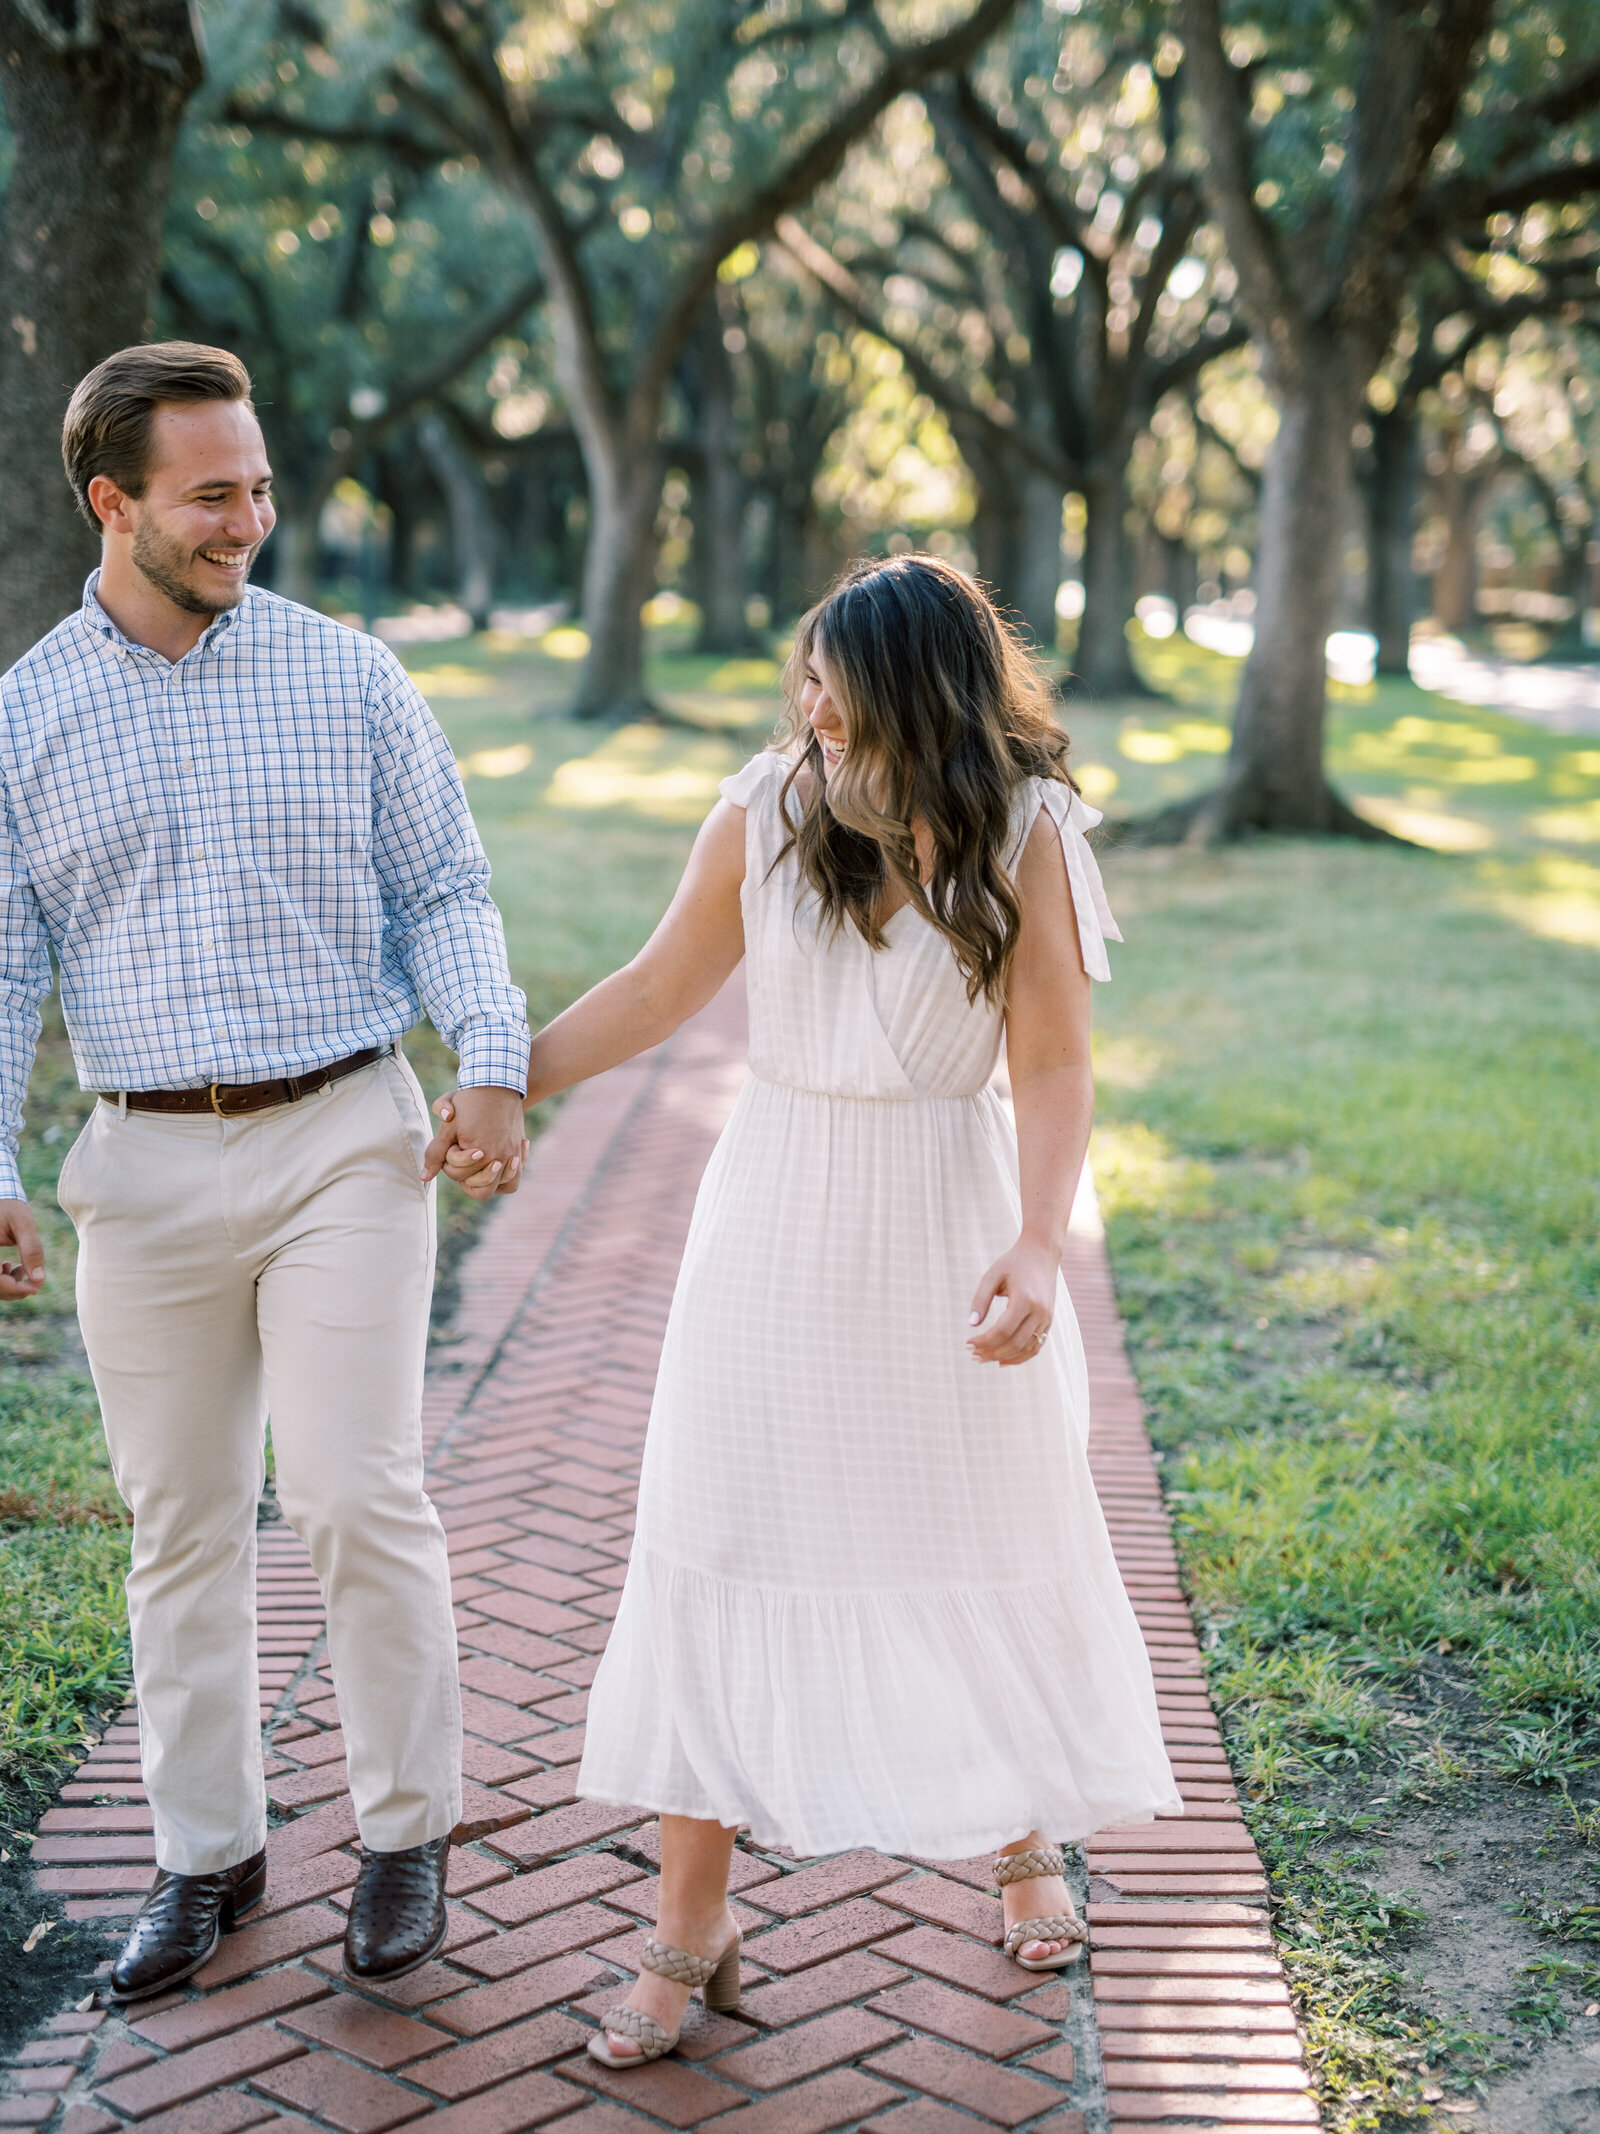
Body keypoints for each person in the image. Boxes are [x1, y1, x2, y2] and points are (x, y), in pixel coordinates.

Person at [430, 554, 1179, 2068]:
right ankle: (690, 1924)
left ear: (924, 689)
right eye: (808, 679)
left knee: (981, 1515)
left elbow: (1051, 1060)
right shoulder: (765, 808)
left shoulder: (1027, 829)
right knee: (726, 1529)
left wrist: (1040, 1241)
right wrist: (508, 1079)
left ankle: (1022, 1837)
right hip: (776, 1214)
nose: (812, 704)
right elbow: (654, 989)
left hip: (951, 1213)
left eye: (839, 681)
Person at [0, 342, 531, 2001]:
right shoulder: (25, 715)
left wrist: (492, 1058)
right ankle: (205, 1855)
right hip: (142, 1167)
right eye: (212, 495)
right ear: (115, 503)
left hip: (340, 1140)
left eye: (260, 487)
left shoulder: (349, 676)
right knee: (180, 1525)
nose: (253, 520)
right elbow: (5, 964)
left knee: (359, 1491)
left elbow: (447, 885)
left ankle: (400, 1835)